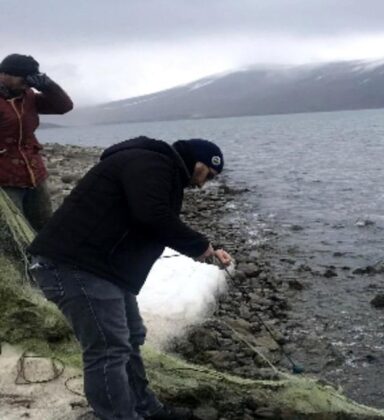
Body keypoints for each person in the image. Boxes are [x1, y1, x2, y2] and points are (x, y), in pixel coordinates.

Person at [27, 136, 232, 420]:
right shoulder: (152, 163)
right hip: (74, 265)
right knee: (108, 348)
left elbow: (149, 218)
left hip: (103, 268)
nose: (204, 183)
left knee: (132, 336)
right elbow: (152, 215)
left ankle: (146, 409)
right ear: (198, 161)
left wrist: (204, 248)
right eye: (208, 174)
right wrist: (199, 246)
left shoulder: (162, 169)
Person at [0, 53, 73, 230]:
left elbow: (63, 107)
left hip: (33, 171)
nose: (28, 81)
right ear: (4, 75)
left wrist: (49, 87)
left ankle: (43, 257)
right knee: (14, 229)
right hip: (4, 177)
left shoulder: (28, 96)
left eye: (31, 77)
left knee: (44, 224)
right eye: (23, 77)